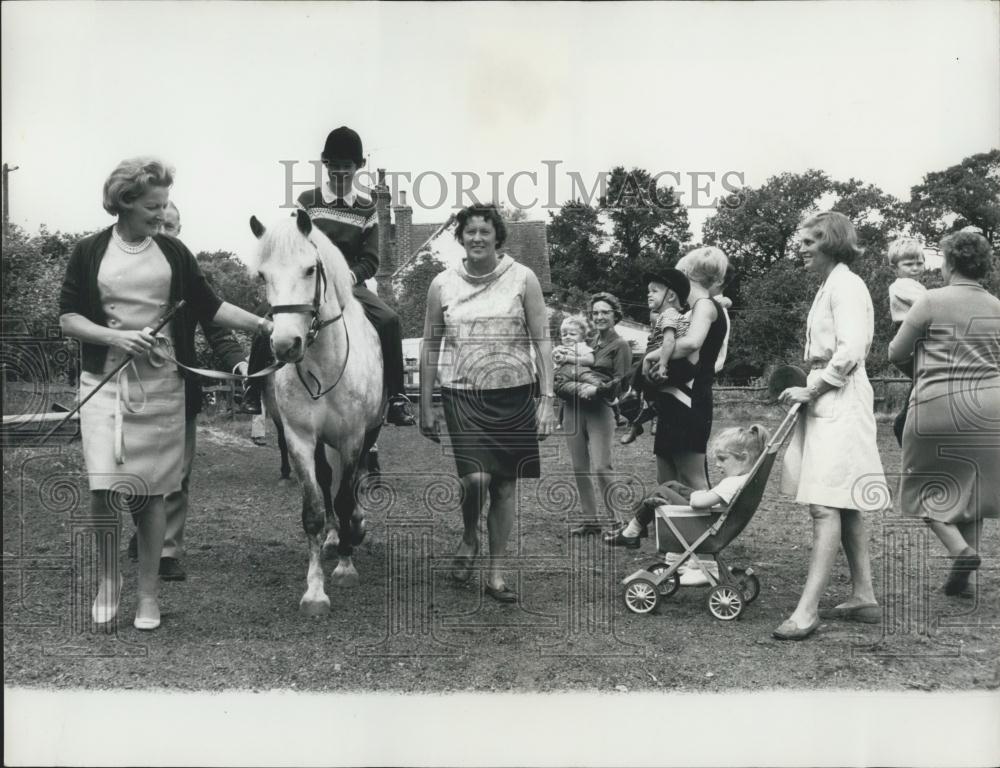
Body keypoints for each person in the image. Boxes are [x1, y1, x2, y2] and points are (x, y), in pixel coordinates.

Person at [59, 157, 272, 630]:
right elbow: (68, 318)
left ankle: (148, 595)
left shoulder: (174, 255)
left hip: (161, 387)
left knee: (153, 493)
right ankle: (109, 583)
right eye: (153, 206)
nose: (162, 215)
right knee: (103, 491)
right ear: (125, 202)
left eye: (165, 206)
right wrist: (116, 337)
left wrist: (263, 324)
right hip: (105, 385)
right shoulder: (89, 250)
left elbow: (211, 307)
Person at [420, 203, 557, 603]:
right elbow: (431, 344)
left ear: (498, 237)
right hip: (462, 392)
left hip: (515, 392)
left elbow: (542, 340)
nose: (477, 238)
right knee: (476, 478)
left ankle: (496, 572)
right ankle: (468, 536)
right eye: (469, 231)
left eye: (484, 231)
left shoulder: (523, 278)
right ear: (459, 238)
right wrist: (426, 403)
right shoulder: (441, 285)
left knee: (505, 485)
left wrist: (546, 400)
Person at [243, 126, 414, 427]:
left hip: (349, 286)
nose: (339, 173)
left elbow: (371, 259)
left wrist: (347, 277)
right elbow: (295, 246)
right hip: (308, 284)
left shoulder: (366, 208)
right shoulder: (308, 200)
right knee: (268, 318)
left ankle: (397, 396)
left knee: (389, 320)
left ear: (358, 167)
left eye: (346, 167)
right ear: (325, 164)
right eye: (333, 166)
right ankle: (253, 389)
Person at [776, 211, 888, 641]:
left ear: (830, 242)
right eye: (801, 241)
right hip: (831, 392)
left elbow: (852, 349)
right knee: (844, 502)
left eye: (808, 242)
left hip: (839, 393)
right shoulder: (832, 285)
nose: (800, 249)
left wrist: (815, 386)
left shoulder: (847, 285)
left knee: (825, 504)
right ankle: (864, 595)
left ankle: (807, 612)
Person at [124, 202, 249, 580]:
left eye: (171, 227)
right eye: (157, 226)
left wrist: (238, 362)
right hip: (134, 389)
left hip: (181, 390)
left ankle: (166, 550)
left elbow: (217, 326)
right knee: (136, 472)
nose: (163, 234)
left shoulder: (188, 278)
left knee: (177, 473)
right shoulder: (125, 274)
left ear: (180, 231)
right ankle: (146, 529)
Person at [889, 230, 1000, 598]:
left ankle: (960, 551)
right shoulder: (997, 306)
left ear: (949, 263)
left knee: (924, 489)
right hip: (989, 409)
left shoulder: (930, 301)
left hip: (937, 405)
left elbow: (896, 353)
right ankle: (963, 580)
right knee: (974, 493)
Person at [606, 424, 770, 584]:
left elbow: (699, 503)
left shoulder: (732, 483)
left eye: (722, 459)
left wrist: (698, 496)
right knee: (671, 485)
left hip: (705, 525)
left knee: (660, 493)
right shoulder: (746, 479)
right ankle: (636, 532)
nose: (718, 465)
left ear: (744, 457)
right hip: (713, 521)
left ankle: (632, 531)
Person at [651, 247, 731, 488]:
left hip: (691, 399)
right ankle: (666, 526)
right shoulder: (692, 310)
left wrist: (652, 356)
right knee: (666, 478)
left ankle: (706, 527)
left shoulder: (706, 306)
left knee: (691, 477)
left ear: (685, 274)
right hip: (673, 399)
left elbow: (692, 343)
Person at [558, 292, 634, 536]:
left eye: (605, 312)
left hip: (599, 409)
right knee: (580, 467)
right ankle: (590, 520)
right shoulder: (587, 342)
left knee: (602, 466)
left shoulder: (619, 345)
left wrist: (600, 390)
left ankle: (617, 521)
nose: (600, 316)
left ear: (615, 315)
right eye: (596, 313)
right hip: (572, 408)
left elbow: (622, 383)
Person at [619, 268, 693, 444]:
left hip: (660, 354)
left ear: (671, 296)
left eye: (654, 291)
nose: (649, 295)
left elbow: (669, 342)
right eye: (648, 291)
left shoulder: (668, 315)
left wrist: (662, 364)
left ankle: (635, 416)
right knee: (641, 388)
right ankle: (642, 415)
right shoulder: (670, 315)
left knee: (630, 381)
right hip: (659, 353)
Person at [885, 237, 928, 446]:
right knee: (922, 383)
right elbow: (926, 305)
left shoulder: (917, 285)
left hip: (920, 336)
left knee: (919, 388)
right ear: (895, 268)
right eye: (908, 264)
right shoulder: (901, 285)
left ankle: (907, 428)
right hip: (911, 335)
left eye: (919, 263)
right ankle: (906, 430)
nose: (915, 268)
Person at [552, 315, 613, 404]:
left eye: (572, 334)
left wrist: (567, 358)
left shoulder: (581, 346)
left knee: (592, 380)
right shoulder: (559, 348)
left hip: (580, 372)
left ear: (582, 337)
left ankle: (609, 394)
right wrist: (555, 356)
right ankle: (595, 392)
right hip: (563, 377)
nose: (567, 336)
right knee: (564, 387)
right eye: (564, 335)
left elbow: (590, 360)